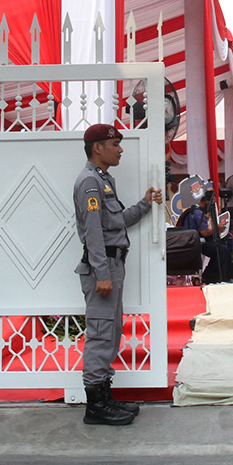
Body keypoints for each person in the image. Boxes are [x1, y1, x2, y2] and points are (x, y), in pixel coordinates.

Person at [74, 123, 162, 426]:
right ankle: (95, 406)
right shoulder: (89, 183)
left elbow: (115, 221)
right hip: (103, 267)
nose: (120, 149)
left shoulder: (102, 180)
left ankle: (104, 396)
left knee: (110, 332)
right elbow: (93, 232)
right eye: (114, 143)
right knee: (100, 333)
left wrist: (145, 205)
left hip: (113, 265)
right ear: (98, 147)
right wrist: (101, 273)